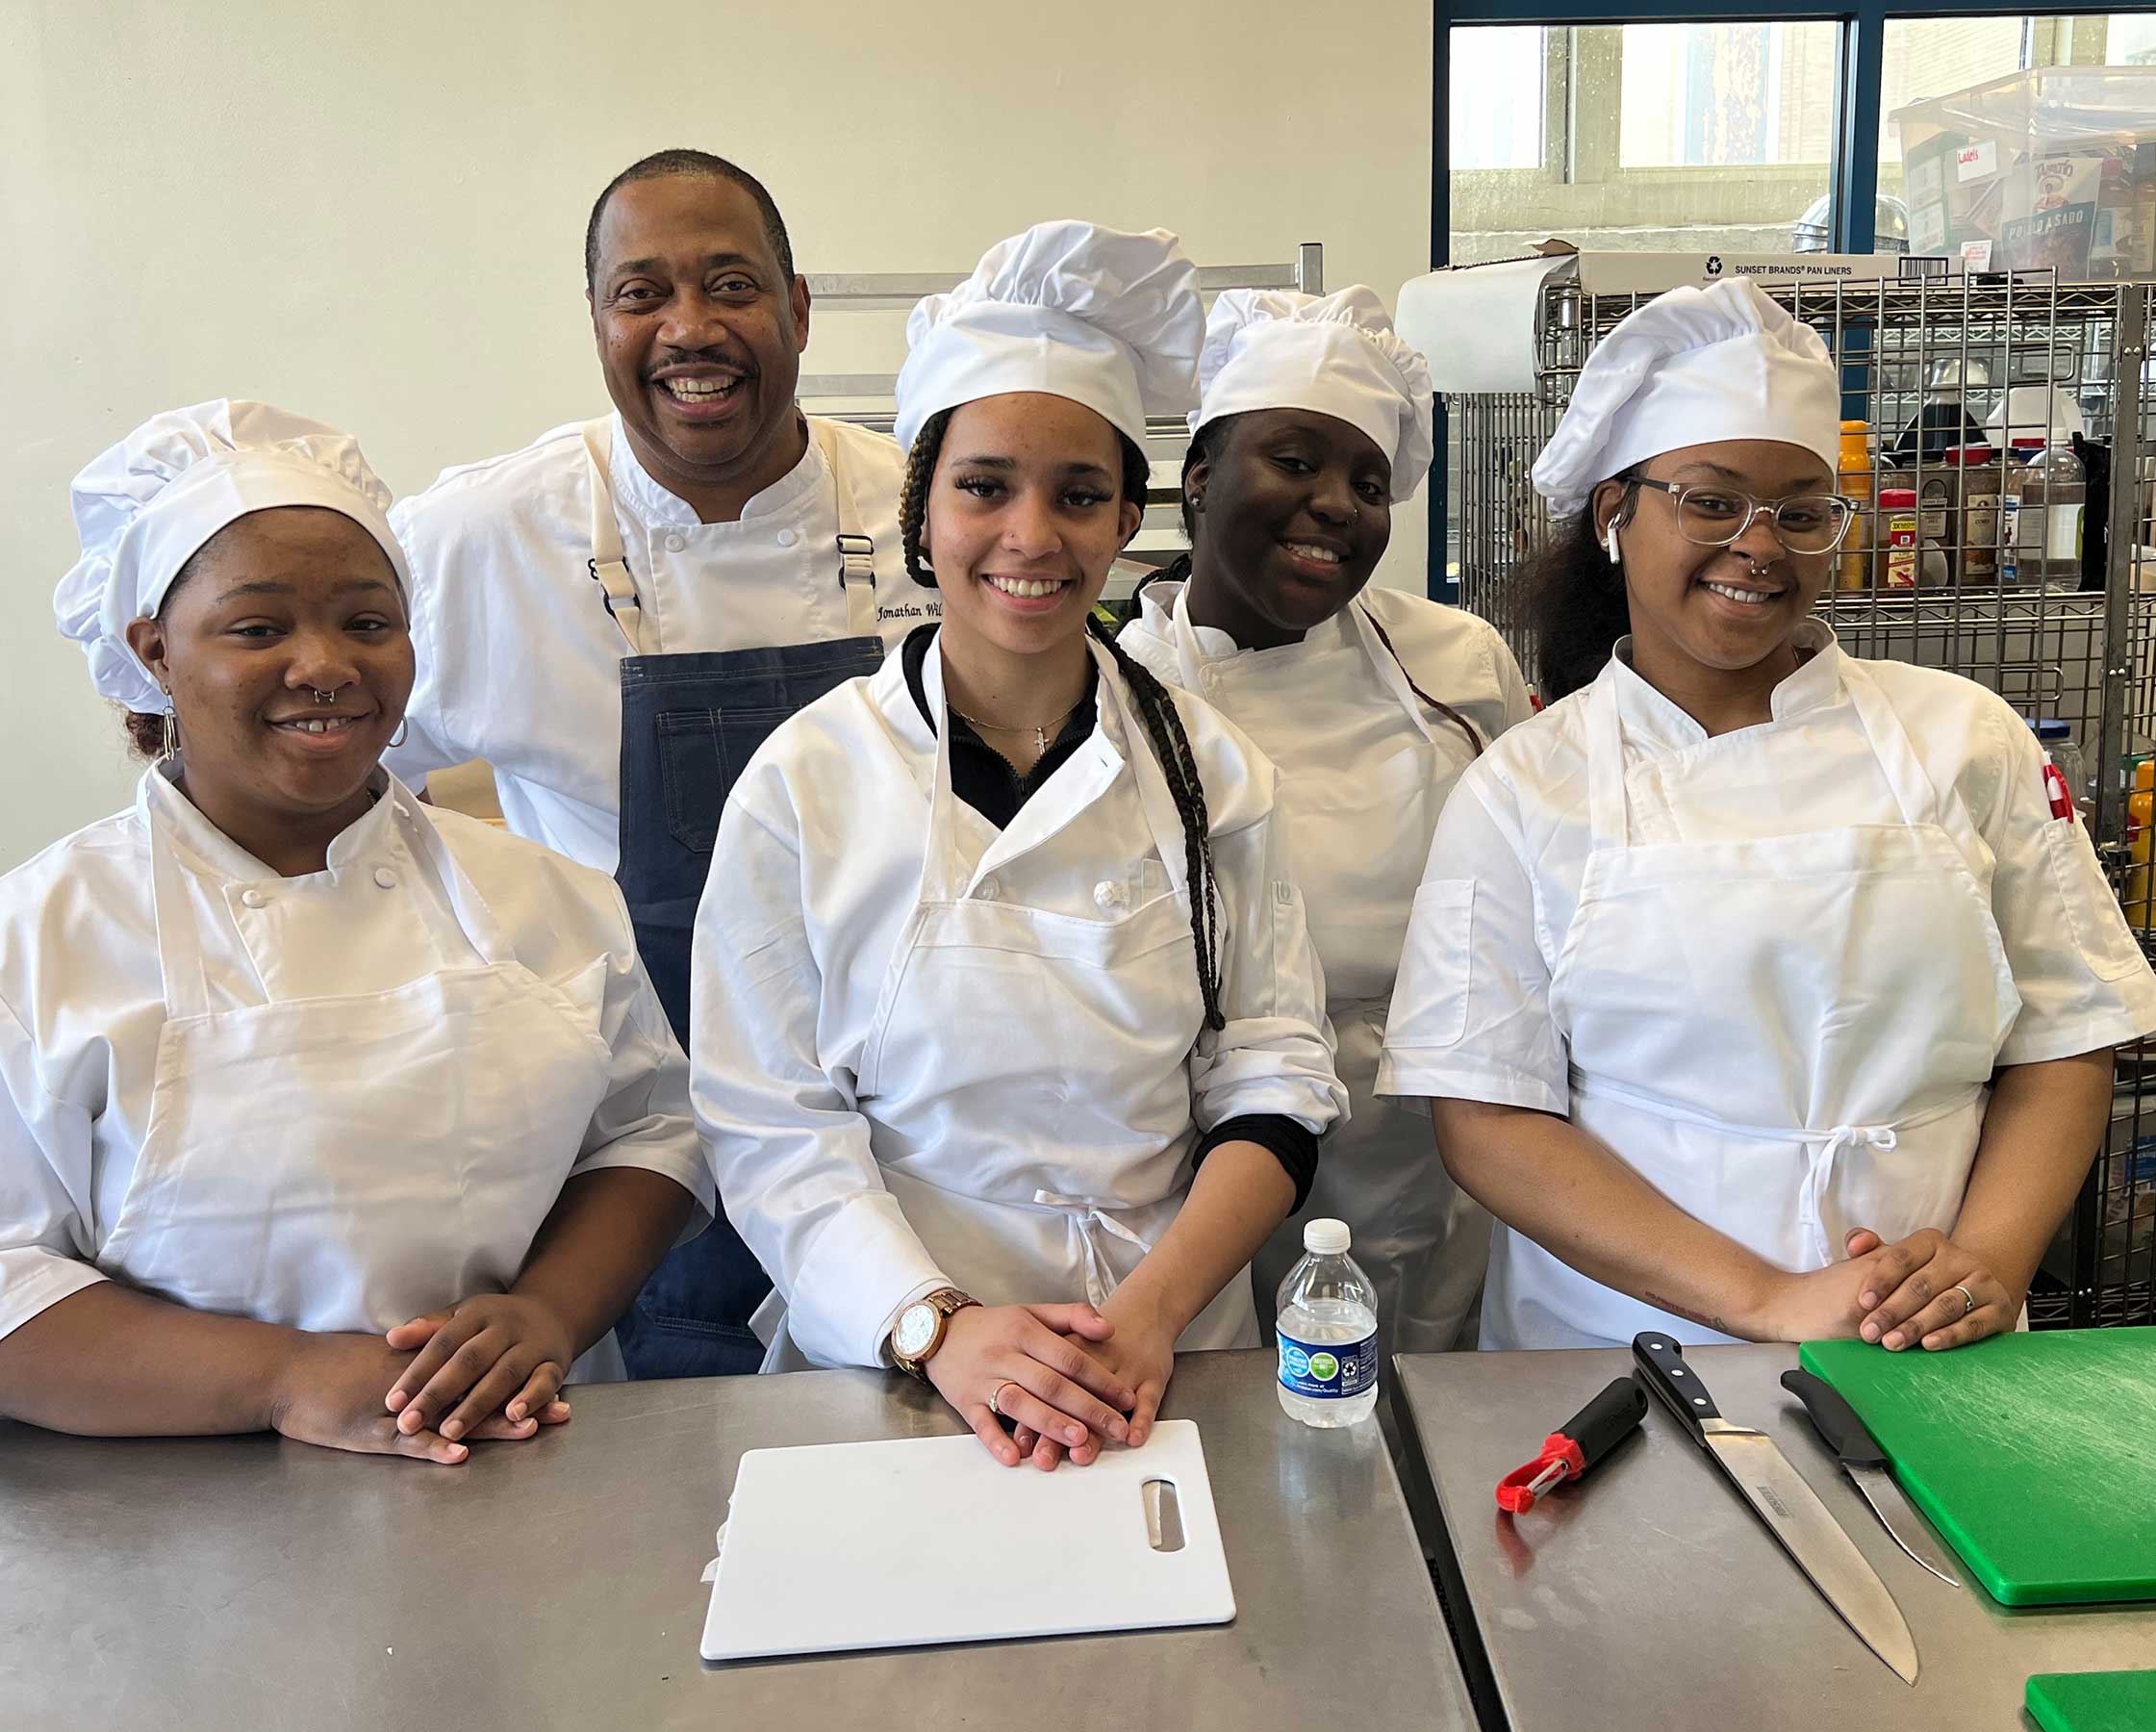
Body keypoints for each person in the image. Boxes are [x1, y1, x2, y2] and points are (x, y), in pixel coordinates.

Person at [1380, 280, 2156, 1354]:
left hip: (1932, 1335)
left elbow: (2068, 1036)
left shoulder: (1964, 739)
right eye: (1710, 500)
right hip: (1628, 1343)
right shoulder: (1527, 787)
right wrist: (1761, 1298)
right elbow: (1486, 1119)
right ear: (1617, 516)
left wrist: (1985, 1263)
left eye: (1802, 512)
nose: (1761, 545)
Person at [691, 222, 1346, 1468]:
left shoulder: (1208, 772)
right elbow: (770, 1123)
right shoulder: (809, 783)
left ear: (1127, 520)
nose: (1033, 536)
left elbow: (1274, 1069)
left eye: (1080, 494)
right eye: (986, 486)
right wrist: (945, 1330)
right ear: (922, 512)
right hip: (895, 1351)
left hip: (1171, 1349)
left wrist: (1147, 1315)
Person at [1, 402, 709, 1463]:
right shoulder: (42, 935)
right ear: (154, 651)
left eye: (369, 622)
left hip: (521, 1468)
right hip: (168, 1512)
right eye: (258, 628)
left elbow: (651, 1135)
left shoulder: (542, 895)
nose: (326, 664)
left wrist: (549, 1316)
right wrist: (286, 1379)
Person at [385, 149, 928, 1378]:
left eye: (730, 284)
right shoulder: (481, 540)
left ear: (797, 309)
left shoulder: (921, 516)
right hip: (634, 1131)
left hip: (899, 1118)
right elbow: (341, 774)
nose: (690, 328)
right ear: (596, 324)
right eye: (642, 294)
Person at [1118, 287, 1527, 1359]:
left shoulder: (1454, 665)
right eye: (1297, 462)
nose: (1338, 504)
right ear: (1200, 475)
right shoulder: (1109, 693)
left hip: (1417, 1161)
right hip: (1181, 1168)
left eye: (1369, 482)